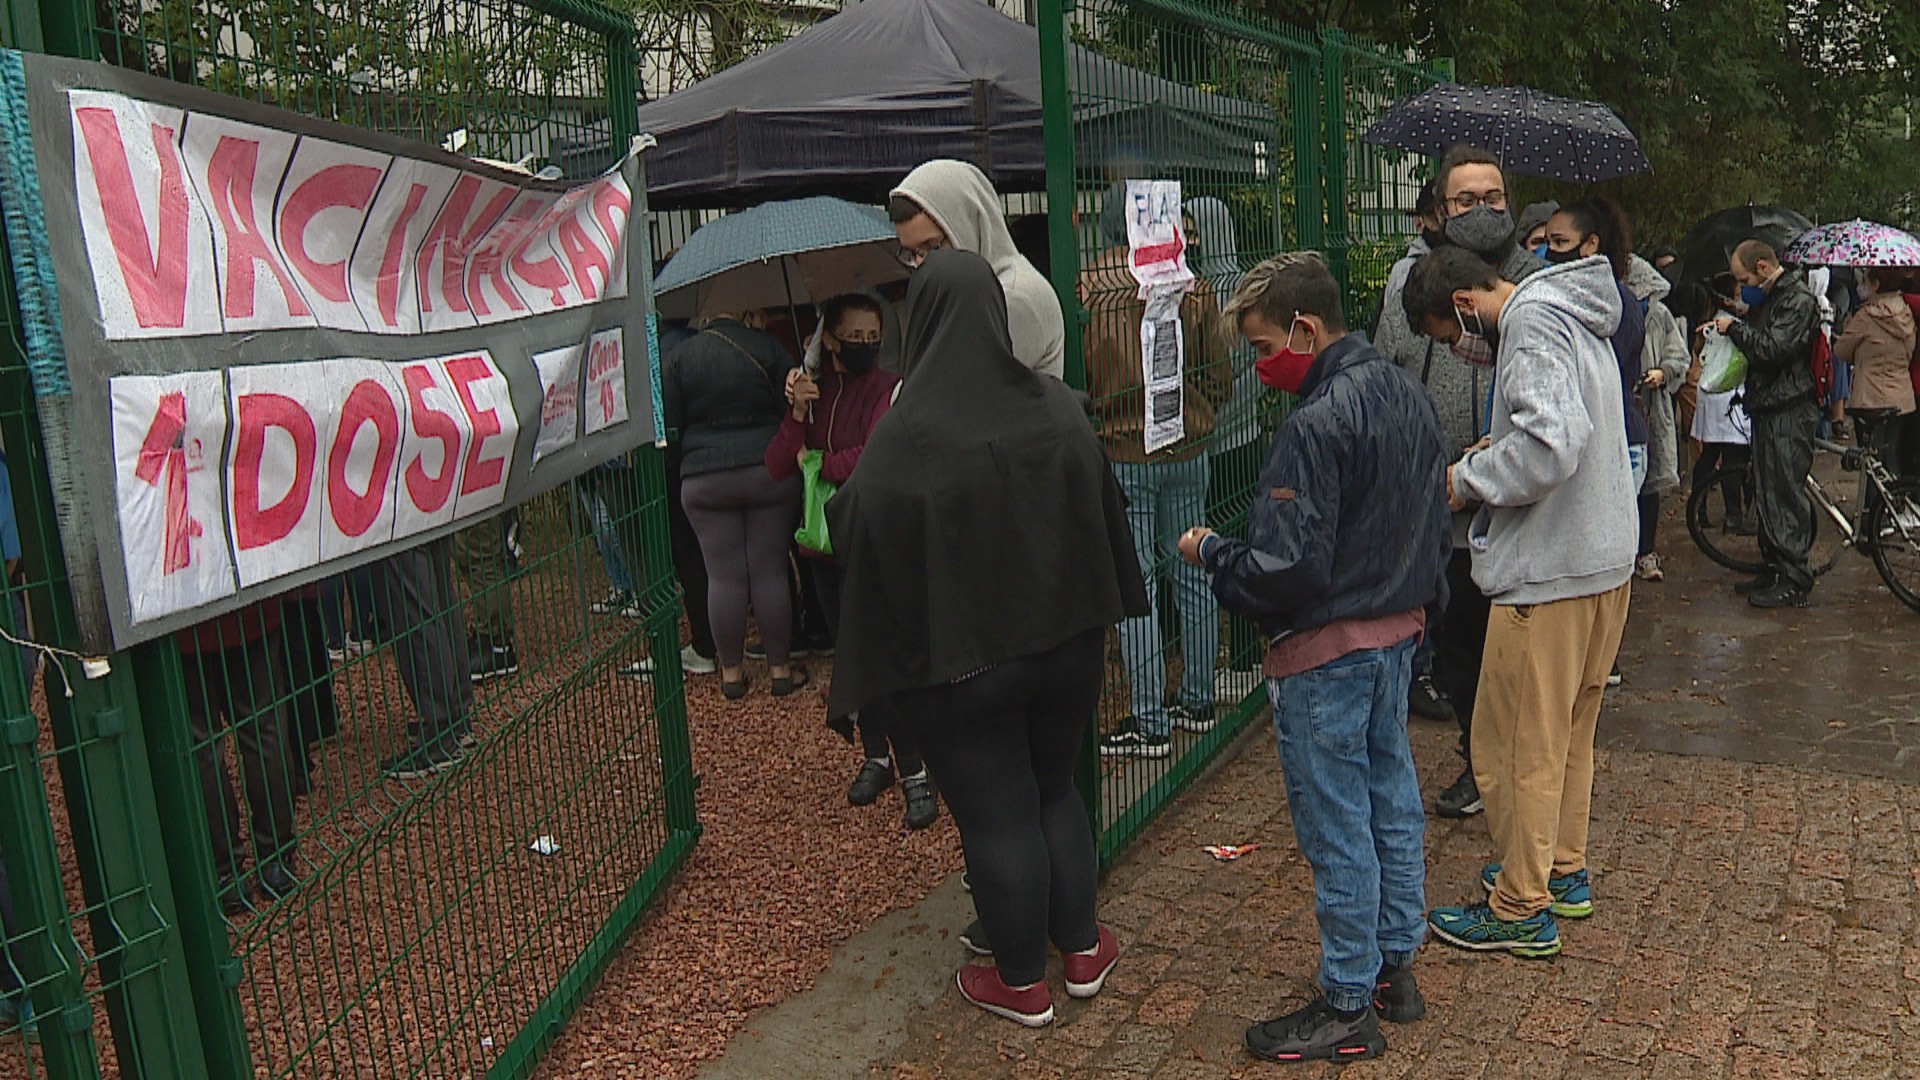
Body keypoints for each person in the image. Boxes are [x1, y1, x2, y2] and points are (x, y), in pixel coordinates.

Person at [826, 250, 1148, 1027]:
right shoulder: (1056, 406)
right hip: (1068, 643)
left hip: (961, 662)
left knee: (997, 814)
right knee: (1052, 788)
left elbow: (853, 527)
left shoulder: (903, 438)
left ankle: (1018, 982)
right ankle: (1080, 951)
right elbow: (1100, 508)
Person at [1177, 252, 1450, 1063]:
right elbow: (1430, 522)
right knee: (1390, 797)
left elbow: (1288, 567)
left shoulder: (1317, 421)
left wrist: (1216, 553)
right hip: (1395, 633)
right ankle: (1395, 969)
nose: (1263, 367)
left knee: (1338, 827)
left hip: (1328, 651)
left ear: (1305, 326)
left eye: (1264, 348)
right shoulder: (1408, 394)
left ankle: (1344, 999)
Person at [1404, 244, 1634, 959]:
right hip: (1602, 560)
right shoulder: (1573, 313)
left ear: (1465, 305)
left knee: (1511, 743)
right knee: (1568, 736)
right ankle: (1561, 869)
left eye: (1450, 336)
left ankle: (1518, 904)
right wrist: (1500, 442)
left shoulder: (1531, 323)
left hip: (1551, 570)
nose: (1462, 349)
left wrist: (1469, 475)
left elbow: (1549, 448)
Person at [763, 294, 936, 830]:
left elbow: (875, 453)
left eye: (872, 336)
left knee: (883, 656)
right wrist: (796, 412)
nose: (866, 346)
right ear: (830, 340)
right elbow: (776, 463)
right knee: (853, 659)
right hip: (822, 547)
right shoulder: (816, 392)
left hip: (871, 540)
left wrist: (820, 462)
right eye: (854, 337)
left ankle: (914, 771)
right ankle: (875, 756)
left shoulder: (889, 388)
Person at [1415, 146, 1546, 821]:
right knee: (1461, 647)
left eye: (1494, 197)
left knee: (1521, 658)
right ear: (1439, 210)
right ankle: (1478, 760)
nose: (1484, 211)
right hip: (1446, 511)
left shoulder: (1537, 287)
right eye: (1467, 201)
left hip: (1521, 515)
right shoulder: (1413, 284)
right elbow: (1392, 372)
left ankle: (1523, 773)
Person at [1080, 188, 1231, 759]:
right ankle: (1197, 697)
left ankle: (1149, 720)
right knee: (1193, 566)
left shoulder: (1090, 286)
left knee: (1137, 582)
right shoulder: (1187, 280)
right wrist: (1205, 410)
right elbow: (1218, 366)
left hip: (1121, 447)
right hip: (1188, 444)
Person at [663, 311, 804, 698]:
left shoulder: (678, 357)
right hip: (767, 469)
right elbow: (790, 404)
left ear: (706, 316)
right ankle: (780, 670)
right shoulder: (770, 347)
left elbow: (670, 426)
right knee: (770, 570)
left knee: (723, 576)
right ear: (744, 315)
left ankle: (730, 674)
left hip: (705, 476)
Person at [1373, 178, 1458, 727]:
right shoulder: (1411, 277)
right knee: (1424, 558)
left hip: (1471, 443)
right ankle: (1419, 668)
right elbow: (1391, 350)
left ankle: (1442, 662)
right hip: (1424, 438)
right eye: (1456, 206)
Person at [1714, 240, 1823, 608]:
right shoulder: (1774, 297)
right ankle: (1775, 565)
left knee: (1784, 493)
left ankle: (1794, 577)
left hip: (1788, 409)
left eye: (1744, 278)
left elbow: (1773, 349)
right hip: (1769, 405)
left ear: (1763, 268)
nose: (1742, 285)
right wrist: (1733, 319)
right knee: (1767, 490)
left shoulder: (1797, 300)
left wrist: (1735, 330)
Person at [177, 599, 302, 914]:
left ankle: (226, 872)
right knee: (264, 726)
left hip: (182, 611)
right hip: (248, 599)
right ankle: (276, 858)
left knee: (202, 742)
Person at [1186, 196, 1264, 691]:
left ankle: (1237, 657)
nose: (1191, 239)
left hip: (1221, 437)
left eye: (1196, 231)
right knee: (1241, 535)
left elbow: (1216, 372)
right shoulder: (1247, 284)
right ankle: (1241, 650)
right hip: (1247, 431)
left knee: (1222, 542)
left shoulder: (1212, 292)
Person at [889, 160, 1065, 378]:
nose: (922, 264)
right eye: (912, 253)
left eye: (932, 247)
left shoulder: (1017, 298)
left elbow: (942, 388)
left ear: (968, 224)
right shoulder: (961, 294)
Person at [374, 537, 475, 779]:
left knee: (415, 605)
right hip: (430, 505)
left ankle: (441, 729)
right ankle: (456, 717)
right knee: (439, 591)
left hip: (401, 512)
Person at [1622, 255, 1694, 581]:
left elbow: (1679, 354)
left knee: (1648, 485)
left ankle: (1645, 552)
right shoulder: (1612, 312)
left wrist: (1663, 373)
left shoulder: (1660, 315)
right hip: (1619, 406)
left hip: (1650, 407)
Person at [1833, 267, 1917, 478]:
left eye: (1865, 280)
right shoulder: (1907, 313)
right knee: (1892, 458)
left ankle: (1874, 508)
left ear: (1876, 284)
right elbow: (1909, 352)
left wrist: (1850, 328)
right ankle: (1894, 507)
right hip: (1902, 397)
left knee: (1872, 462)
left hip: (1870, 400)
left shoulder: (1866, 317)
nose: (1861, 285)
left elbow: (1840, 351)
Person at [456, 513, 518, 681]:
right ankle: (493, 639)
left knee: (479, 556)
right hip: (477, 498)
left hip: (477, 500)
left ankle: (496, 643)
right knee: (476, 556)